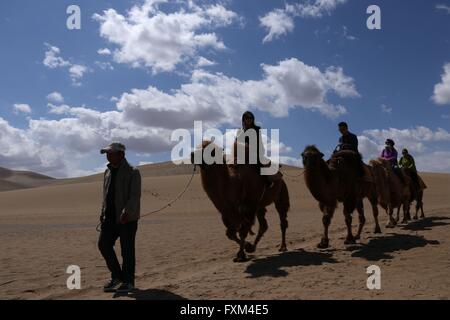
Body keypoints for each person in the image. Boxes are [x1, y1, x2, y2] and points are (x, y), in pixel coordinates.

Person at [98, 142, 141, 294]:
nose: (108, 156)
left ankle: (128, 281)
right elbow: (106, 195)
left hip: (126, 219)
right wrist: (102, 212)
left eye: (111, 153)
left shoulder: (133, 172)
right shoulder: (107, 172)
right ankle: (117, 276)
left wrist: (127, 212)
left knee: (127, 251)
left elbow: (134, 196)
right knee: (103, 245)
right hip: (109, 218)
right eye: (107, 154)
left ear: (121, 154)